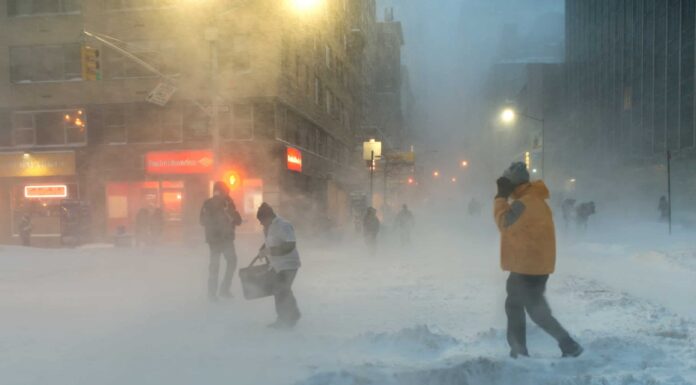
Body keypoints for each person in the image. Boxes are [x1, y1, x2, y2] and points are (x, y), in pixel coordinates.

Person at [494, 162, 583, 359]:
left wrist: (500, 198)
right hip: (535, 265)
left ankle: (520, 351)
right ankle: (568, 344)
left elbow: (504, 223)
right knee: (535, 309)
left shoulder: (524, 203)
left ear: (512, 183)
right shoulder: (535, 199)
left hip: (526, 266)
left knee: (517, 307)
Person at [256, 203, 302, 329]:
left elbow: (290, 245)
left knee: (280, 289)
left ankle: (285, 319)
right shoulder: (269, 227)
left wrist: (271, 251)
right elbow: (271, 242)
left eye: (261, 220)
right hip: (277, 265)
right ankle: (292, 315)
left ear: (269, 217)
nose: (261, 224)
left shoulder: (284, 225)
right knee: (283, 290)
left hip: (288, 264)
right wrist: (263, 249)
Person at [200, 181, 243, 301]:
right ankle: (224, 289)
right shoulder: (227, 203)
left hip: (213, 240)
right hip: (225, 239)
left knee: (214, 265)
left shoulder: (207, 203)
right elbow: (237, 220)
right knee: (232, 262)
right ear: (224, 191)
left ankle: (212, 294)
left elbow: (202, 221)